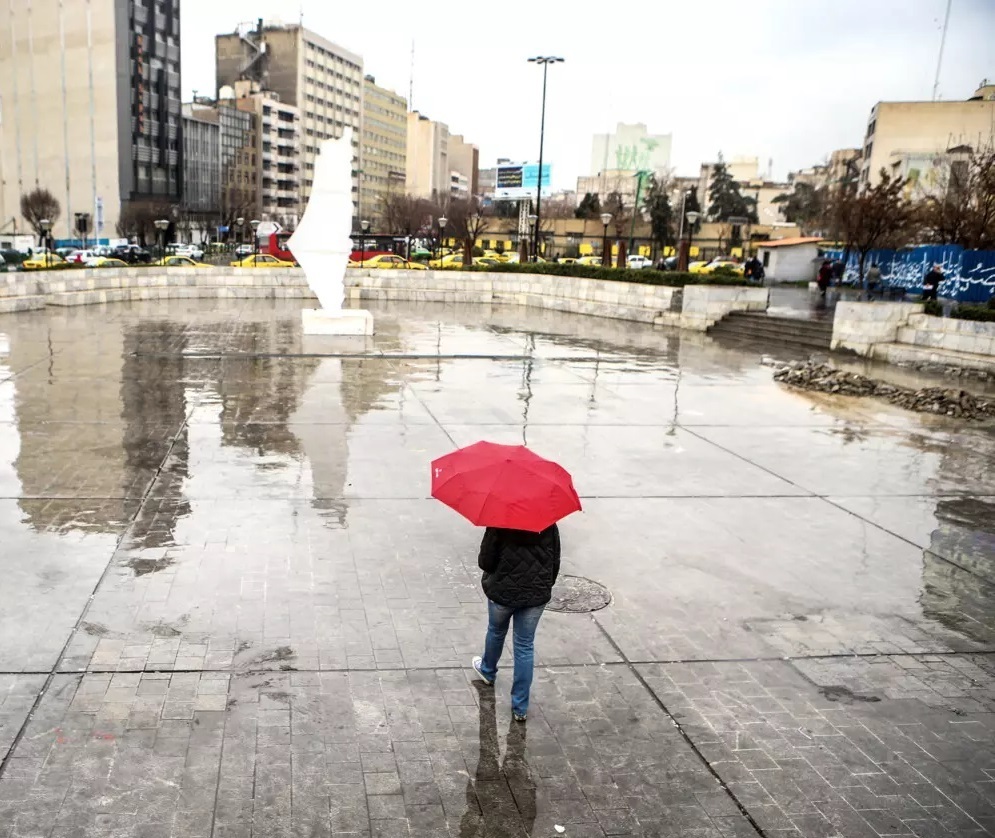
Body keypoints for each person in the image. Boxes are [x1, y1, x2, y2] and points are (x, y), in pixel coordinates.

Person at [472, 524, 561, 721]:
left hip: (502, 592)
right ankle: (520, 707)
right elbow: (554, 563)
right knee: (524, 646)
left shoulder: (498, 522)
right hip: (536, 595)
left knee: (496, 631)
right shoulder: (548, 524)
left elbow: (485, 562)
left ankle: (487, 671)